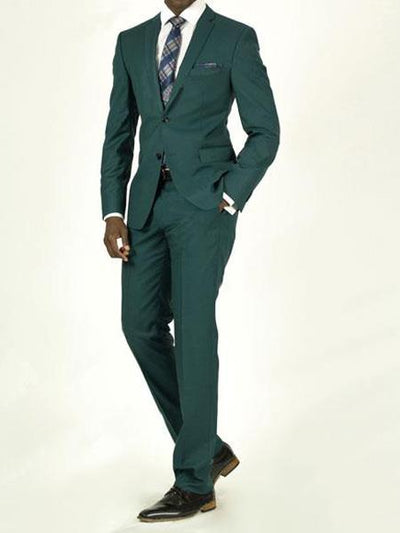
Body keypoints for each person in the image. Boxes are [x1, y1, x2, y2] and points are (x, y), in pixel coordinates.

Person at [100, 0, 280, 522]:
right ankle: (209, 448)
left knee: (195, 328)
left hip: (204, 205)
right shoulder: (132, 42)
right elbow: (119, 132)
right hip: (144, 208)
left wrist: (231, 195)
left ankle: (195, 483)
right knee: (139, 326)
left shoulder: (234, 37)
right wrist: (113, 210)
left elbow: (265, 130)